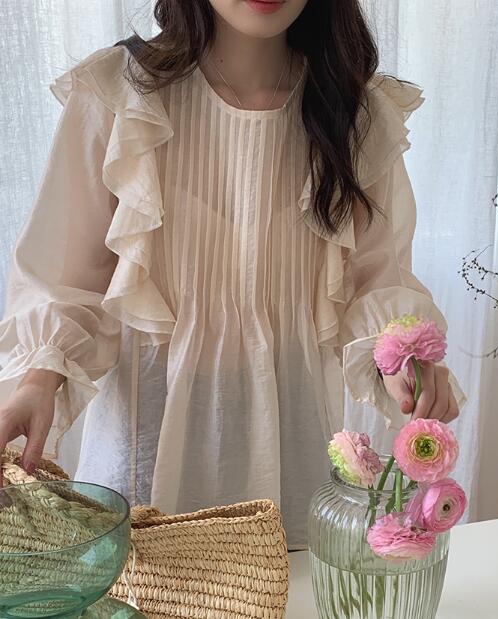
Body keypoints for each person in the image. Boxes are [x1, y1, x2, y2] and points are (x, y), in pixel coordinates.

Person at [0, 0, 465, 549]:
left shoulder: (354, 112)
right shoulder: (121, 97)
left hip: (290, 463)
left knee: (288, 585)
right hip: (145, 467)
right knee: (145, 586)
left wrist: (401, 356)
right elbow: (63, 278)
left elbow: (376, 278)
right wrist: (37, 380)